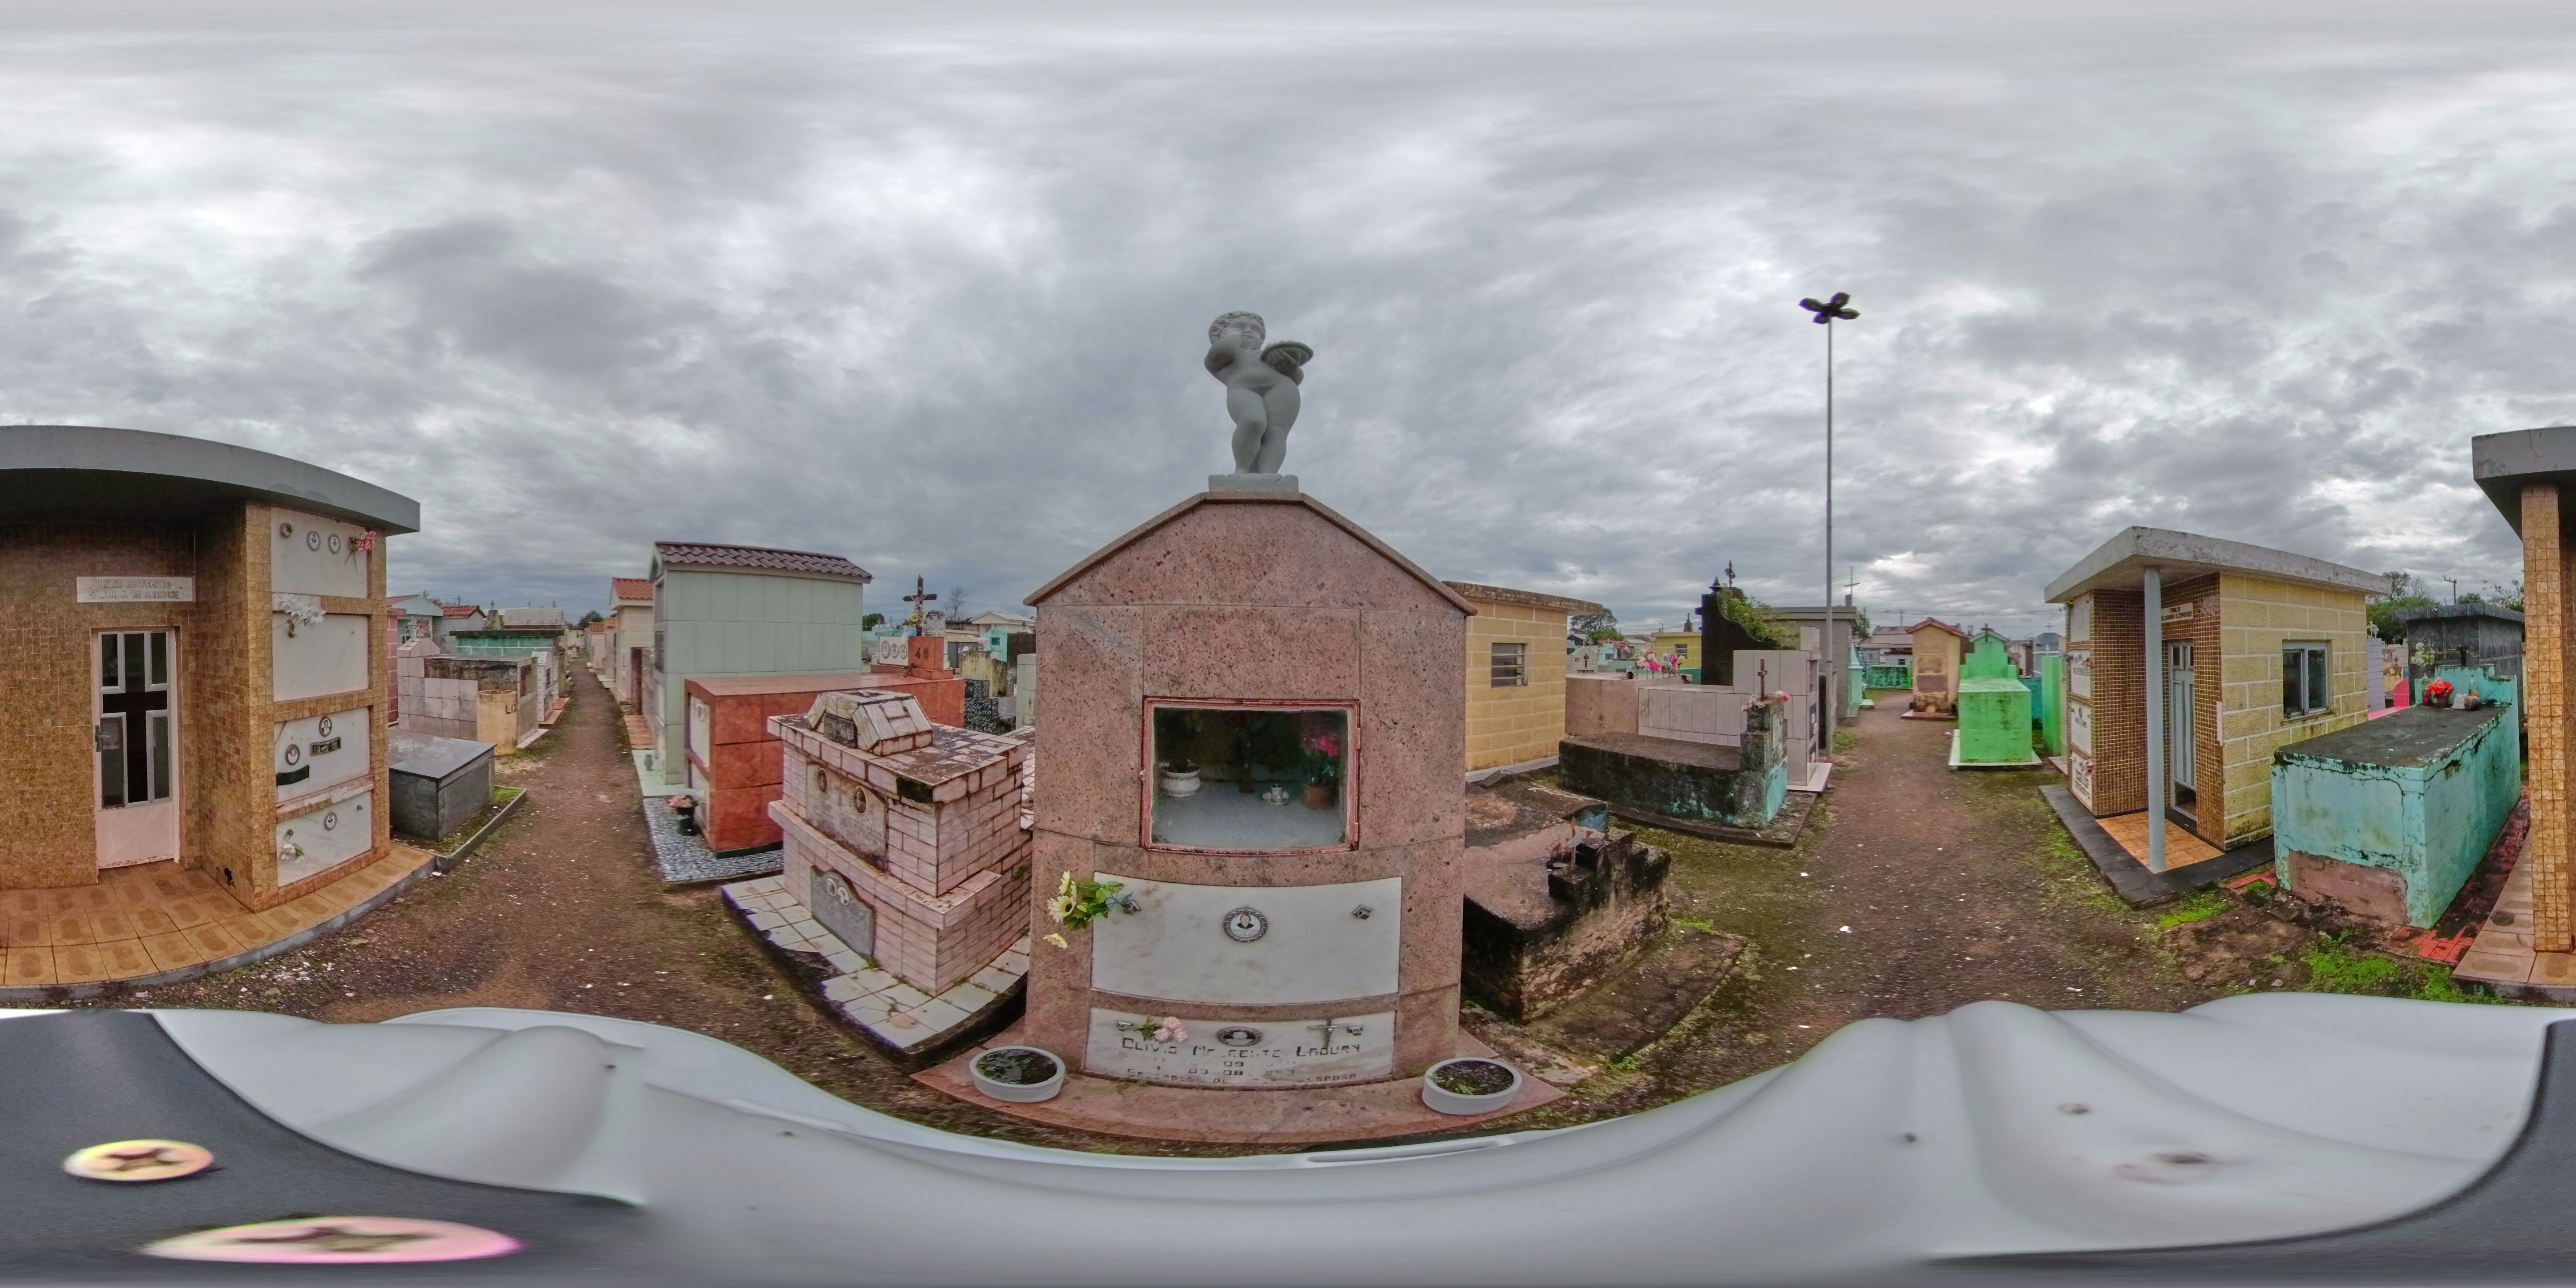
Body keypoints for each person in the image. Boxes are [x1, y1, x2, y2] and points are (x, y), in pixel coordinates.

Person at [1204, 312, 1313, 474]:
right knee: (1252, 421)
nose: (1249, 331)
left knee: (1276, 432)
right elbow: (1226, 349)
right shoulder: (1222, 353)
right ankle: (1242, 470)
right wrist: (1233, 335)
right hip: (1243, 389)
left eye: (1255, 329)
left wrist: (1289, 366)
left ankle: (1269, 474)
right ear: (1221, 332)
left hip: (1281, 387)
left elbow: (1297, 377)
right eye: (1240, 326)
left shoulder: (1267, 354)